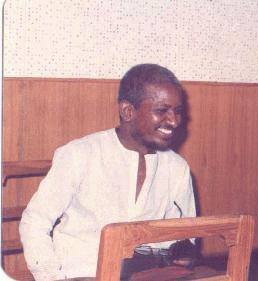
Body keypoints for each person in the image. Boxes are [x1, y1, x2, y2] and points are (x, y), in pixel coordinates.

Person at [19, 64, 196, 280]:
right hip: (81, 273)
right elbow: (34, 221)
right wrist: (50, 276)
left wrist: (183, 251)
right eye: (162, 111)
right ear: (127, 111)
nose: (174, 121)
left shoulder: (177, 168)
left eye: (177, 112)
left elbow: (186, 234)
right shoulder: (79, 154)